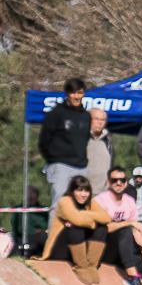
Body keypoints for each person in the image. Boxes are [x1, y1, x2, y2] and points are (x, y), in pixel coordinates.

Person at [37, 175, 108, 284]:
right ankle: (81, 267)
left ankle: (91, 266)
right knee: (76, 228)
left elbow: (106, 218)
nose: (84, 194)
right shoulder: (65, 201)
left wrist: (85, 213)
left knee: (102, 228)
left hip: (79, 246)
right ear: (72, 190)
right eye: (79, 190)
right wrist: (93, 220)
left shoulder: (90, 203)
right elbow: (77, 220)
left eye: (86, 191)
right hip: (59, 247)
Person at [38, 78, 91, 212]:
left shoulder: (86, 116)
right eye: (73, 93)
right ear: (67, 94)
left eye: (79, 93)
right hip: (60, 165)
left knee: (80, 205)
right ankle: (55, 233)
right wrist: (53, 159)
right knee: (59, 204)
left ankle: (76, 233)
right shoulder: (56, 113)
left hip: (81, 166)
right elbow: (43, 141)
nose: (76, 96)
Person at [12, 186, 48, 257]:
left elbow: (46, 225)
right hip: (22, 239)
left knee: (43, 238)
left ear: (37, 197)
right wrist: (34, 230)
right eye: (29, 196)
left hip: (39, 239)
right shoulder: (18, 209)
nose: (30, 198)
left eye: (32, 196)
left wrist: (41, 230)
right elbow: (18, 228)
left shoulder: (43, 210)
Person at [85, 108, 114, 194]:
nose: (100, 122)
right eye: (97, 119)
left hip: (103, 192)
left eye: (103, 120)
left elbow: (111, 163)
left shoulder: (107, 140)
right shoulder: (80, 138)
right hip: (82, 190)